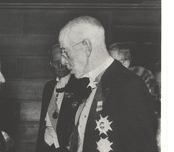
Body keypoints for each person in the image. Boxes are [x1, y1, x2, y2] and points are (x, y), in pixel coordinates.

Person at [59, 16, 158, 152]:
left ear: (86, 47)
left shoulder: (129, 86)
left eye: (65, 51)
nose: (63, 61)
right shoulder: (86, 85)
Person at [36, 44, 80, 152]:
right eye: (56, 63)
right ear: (51, 64)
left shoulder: (79, 85)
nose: (61, 66)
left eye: (63, 61)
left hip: (64, 146)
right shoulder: (49, 86)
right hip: (45, 145)